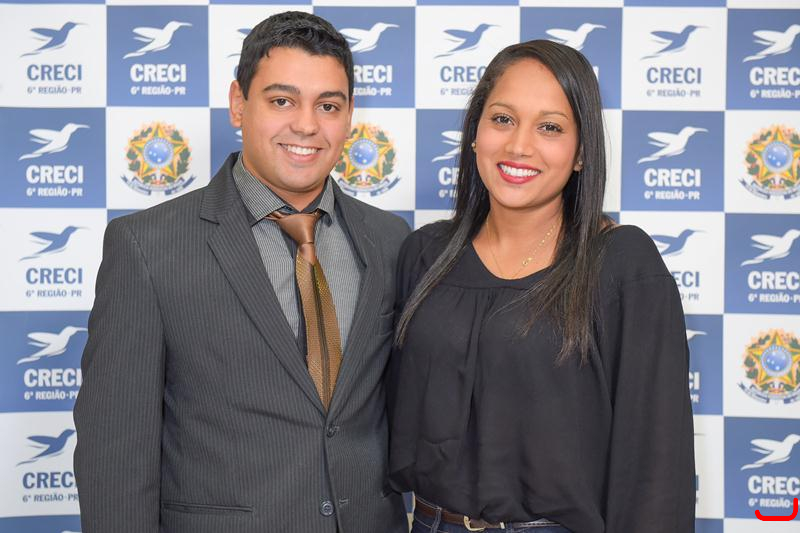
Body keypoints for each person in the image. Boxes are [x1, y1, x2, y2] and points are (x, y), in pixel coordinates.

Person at [74, 11, 409, 533]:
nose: (306, 125)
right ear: (238, 103)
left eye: (328, 105)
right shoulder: (146, 247)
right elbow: (114, 457)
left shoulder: (390, 240)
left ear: (348, 117)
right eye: (282, 101)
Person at [388, 40, 695, 533]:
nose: (519, 146)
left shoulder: (622, 265)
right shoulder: (424, 254)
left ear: (581, 153)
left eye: (550, 127)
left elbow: (655, 469)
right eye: (502, 119)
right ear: (475, 133)